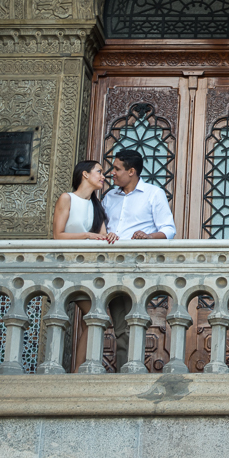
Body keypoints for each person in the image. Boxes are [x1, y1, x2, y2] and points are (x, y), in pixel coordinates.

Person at [103, 149, 176, 369]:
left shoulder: (153, 194)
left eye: (117, 168)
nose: (112, 173)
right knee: (116, 323)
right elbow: (101, 227)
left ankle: (130, 374)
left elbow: (169, 230)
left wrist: (148, 236)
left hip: (137, 267)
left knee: (133, 321)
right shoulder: (109, 196)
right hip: (109, 265)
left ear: (132, 171)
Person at [52, 160, 115, 370]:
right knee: (95, 316)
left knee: (96, 317)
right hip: (69, 268)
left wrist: (110, 236)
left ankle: (79, 368)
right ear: (85, 175)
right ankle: (76, 368)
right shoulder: (66, 198)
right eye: (99, 172)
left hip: (90, 269)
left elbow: (103, 237)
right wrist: (87, 235)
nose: (103, 176)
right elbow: (58, 236)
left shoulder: (97, 205)